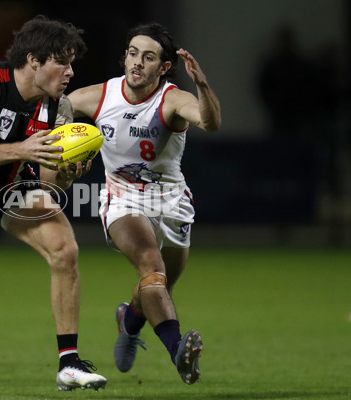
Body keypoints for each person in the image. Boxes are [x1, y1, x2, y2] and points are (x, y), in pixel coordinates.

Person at [0, 15, 106, 391]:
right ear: (34, 60)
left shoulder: (57, 109)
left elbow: (48, 180)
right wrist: (22, 148)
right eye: (62, 61)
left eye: (72, 62)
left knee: (65, 250)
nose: (70, 72)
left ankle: (69, 363)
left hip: (17, 186)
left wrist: (66, 172)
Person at [67, 23, 221, 384]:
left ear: (163, 67)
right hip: (122, 201)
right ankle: (178, 351)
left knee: (157, 286)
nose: (137, 63)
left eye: (148, 57)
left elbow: (211, 123)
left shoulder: (172, 100)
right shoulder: (99, 96)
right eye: (132, 53)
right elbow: (46, 110)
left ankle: (130, 320)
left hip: (172, 203)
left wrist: (202, 85)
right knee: (151, 266)